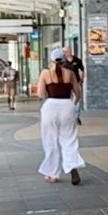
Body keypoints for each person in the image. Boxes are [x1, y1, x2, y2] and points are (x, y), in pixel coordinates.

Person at [36, 45, 84, 185]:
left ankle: (52, 174)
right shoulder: (70, 73)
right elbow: (78, 94)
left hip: (50, 107)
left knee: (50, 140)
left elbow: (40, 94)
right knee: (69, 140)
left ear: (51, 60)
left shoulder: (45, 73)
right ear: (63, 60)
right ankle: (72, 167)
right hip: (67, 106)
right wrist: (72, 106)